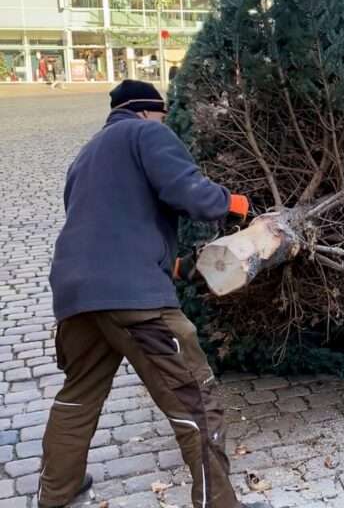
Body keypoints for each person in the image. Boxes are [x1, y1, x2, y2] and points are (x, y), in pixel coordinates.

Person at [38, 79, 269, 508]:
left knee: (77, 399)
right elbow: (189, 192)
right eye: (163, 115)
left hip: (77, 299)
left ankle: (58, 496)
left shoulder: (85, 156)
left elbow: (113, 225)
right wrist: (234, 204)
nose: (165, 122)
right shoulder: (147, 132)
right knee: (196, 405)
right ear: (148, 111)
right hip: (136, 303)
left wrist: (175, 267)